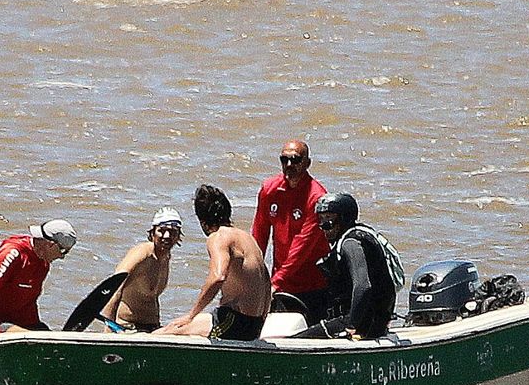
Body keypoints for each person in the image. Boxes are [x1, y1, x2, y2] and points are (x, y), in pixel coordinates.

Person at [159, 184, 272, 341]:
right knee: (177, 327)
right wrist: (259, 322)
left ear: (203, 222)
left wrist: (191, 315)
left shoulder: (218, 237)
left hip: (234, 322)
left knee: (172, 330)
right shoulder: (247, 238)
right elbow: (267, 282)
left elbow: (218, 277)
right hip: (254, 323)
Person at [296, 193, 398, 341]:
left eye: (329, 220)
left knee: (297, 340)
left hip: (363, 325)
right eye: (321, 220)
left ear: (344, 218)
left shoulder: (350, 244)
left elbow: (363, 287)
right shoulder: (358, 235)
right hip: (370, 321)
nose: (323, 227)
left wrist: (352, 326)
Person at [251, 139, 331, 322]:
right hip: (281, 283)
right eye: (284, 160)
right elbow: (259, 235)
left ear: (307, 163)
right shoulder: (269, 190)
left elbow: (301, 248)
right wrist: (252, 275)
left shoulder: (317, 196)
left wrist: (274, 284)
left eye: (295, 160)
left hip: (313, 285)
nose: (289, 165)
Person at [0, 219, 78, 337]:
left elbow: (28, 304)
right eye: (63, 251)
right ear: (50, 245)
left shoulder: (43, 264)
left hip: (25, 327)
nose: (62, 257)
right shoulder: (12, 253)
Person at [98, 207, 180, 333]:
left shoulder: (165, 257)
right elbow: (114, 286)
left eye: (173, 232)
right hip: (128, 327)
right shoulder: (143, 253)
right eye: (161, 231)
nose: (167, 236)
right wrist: (109, 333)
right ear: (152, 233)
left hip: (152, 328)